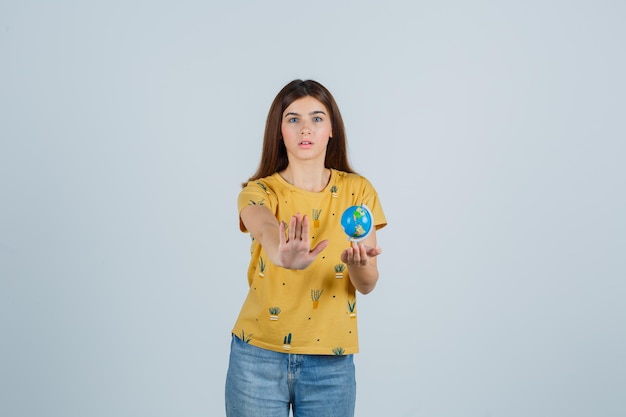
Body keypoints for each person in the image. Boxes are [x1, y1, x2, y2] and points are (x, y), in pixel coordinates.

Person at [225, 79, 387, 417]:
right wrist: (280, 251)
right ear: (279, 131)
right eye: (292, 118)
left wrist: (358, 265)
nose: (305, 128)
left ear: (332, 130)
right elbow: (264, 224)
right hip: (257, 357)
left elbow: (368, 283)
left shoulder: (358, 192)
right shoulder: (258, 191)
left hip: (331, 363)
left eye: (316, 118)